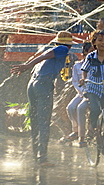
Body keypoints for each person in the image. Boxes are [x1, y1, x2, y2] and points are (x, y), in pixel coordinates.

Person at [10, 31, 76, 167]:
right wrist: (26, 66)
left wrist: (26, 67)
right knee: (44, 121)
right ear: (68, 45)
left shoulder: (51, 49)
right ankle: (43, 158)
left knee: (35, 121)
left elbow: (43, 63)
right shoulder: (62, 49)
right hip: (43, 85)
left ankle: (36, 155)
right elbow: (46, 57)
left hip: (33, 84)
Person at [79, 30, 104, 135]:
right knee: (95, 109)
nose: (103, 43)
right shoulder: (91, 56)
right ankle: (92, 127)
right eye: (100, 40)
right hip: (93, 88)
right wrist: (83, 79)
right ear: (94, 43)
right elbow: (84, 70)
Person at [58, 42, 94, 147]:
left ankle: (81, 136)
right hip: (81, 92)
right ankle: (76, 130)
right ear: (84, 52)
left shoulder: (95, 64)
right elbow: (75, 82)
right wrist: (82, 92)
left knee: (79, 108)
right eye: (90, 52)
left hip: (91, 92)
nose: (92, 54)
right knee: (70, 107)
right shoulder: (77, 65)